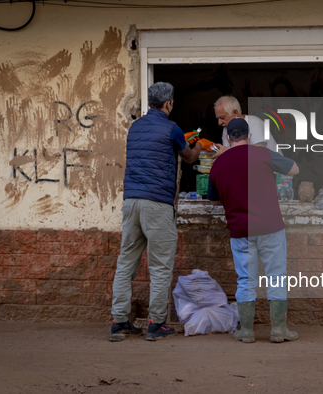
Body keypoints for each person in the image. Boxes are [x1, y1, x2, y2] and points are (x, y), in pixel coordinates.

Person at [110, 82, 214, 342]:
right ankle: (156, 324)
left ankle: (119, 320)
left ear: (149, 104)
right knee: (159, 267)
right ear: (168, 104)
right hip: (157, 204)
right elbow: (189, 157)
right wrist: (198, 143)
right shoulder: (172, 129)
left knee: (126, 264)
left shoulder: (134, 127)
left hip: (131, 201)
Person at [207, 118, 299, 343]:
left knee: (246, 279)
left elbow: (215, 201)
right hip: (270, 227)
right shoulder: (262, 154)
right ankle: (278, 330)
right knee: (276, 277)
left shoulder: (218, 163)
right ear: (249, 136)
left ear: (228, 138)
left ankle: (246, 331)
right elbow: (294, 169)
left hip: (241, 230)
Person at [213, 96, 279, 156]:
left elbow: (260, 150)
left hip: (274, 168)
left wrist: (226, 151)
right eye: (218, 119)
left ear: (235, 113)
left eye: (222, 118)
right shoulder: (226, 128)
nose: (219, 123)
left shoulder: (254, 122)